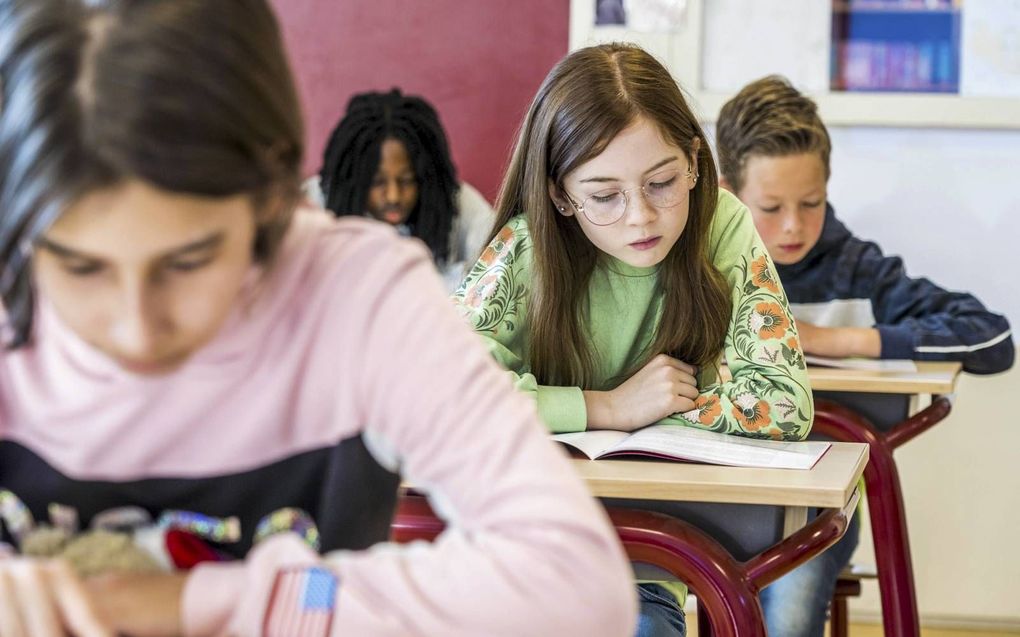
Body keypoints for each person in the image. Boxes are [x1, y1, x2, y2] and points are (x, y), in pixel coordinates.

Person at [0, 2, 638, 636]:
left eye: (190, 261)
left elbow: (577, 588)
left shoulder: (360, 299)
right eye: (80, 269)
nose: (136, 330)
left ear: (274, 193)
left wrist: (182, 603)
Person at [453, 43, 814, 637]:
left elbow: (781, 402)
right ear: (560, 193)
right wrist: (609, 408)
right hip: (514, 546)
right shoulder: (525, 247)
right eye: (604, 196)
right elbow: (436, 396)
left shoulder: (720, 223)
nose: (641, 217)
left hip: (645, 563)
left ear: (695, 163)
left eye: (662, 183)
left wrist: (646, 412)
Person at [715, 74, 1015, 637]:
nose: (793, 226)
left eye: (811, 203)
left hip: (816, 508)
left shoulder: (855, 269)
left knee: (791, 596)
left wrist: (838, 340)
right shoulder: (702, 269)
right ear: (728, 192)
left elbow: (991, 339)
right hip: (715, 494)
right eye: (771, 206)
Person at [310, 89, 494, 291]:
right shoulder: (317, 205)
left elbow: (497, 265)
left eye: (406, 181)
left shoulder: (456, 203)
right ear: (355, 179)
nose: (393, 196)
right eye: (378, 182)